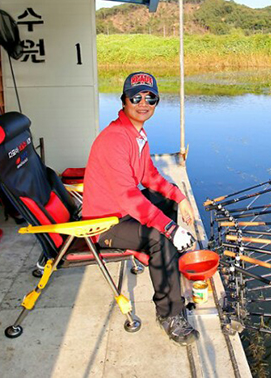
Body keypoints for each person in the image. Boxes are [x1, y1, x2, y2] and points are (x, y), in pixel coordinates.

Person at [82, 72, 200, 345]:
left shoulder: (137, 134)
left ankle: (167, 263)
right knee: (159, 237)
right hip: (104, 223)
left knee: (167, 204)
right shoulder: (115, 139)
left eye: (151, 97)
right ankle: (169, 314)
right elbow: (128, 197)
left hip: (123, 211)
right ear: (123, 101)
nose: (143, 103)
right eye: (136, 97)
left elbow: (149, 176)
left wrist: (179, 196)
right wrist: (170, 228)